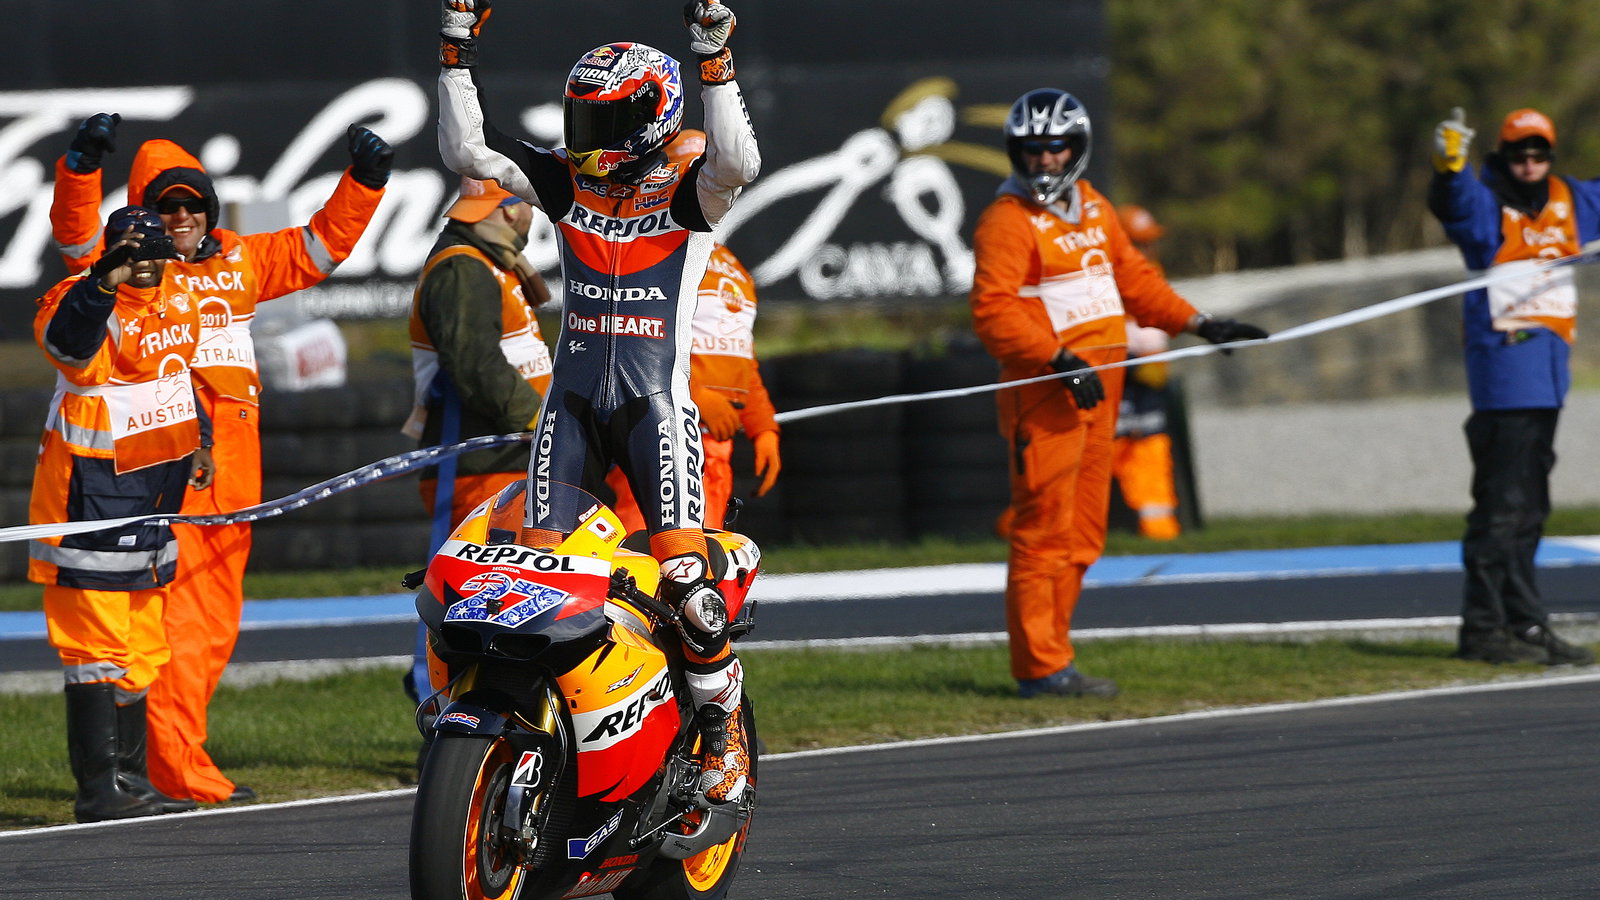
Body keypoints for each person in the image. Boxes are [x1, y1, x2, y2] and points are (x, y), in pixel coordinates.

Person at [435, 0, 760, 802]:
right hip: (571, 409)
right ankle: (536, 729)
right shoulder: (565, 181)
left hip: (655, 409)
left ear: (652, 117)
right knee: (528, 580)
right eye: (581, 115)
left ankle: (723, 731)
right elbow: (468, 149)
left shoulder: (689, 190)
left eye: (604, 119)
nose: (585, 136)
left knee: (687, 582)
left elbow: (739, 160)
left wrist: (715, 61)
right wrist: (455, 50)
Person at [51, 115, 392, 802]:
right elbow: (79, 243)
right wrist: (80, 170)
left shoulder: (241, 259)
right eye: (165, 205)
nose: (180, 217)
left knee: (212, 627)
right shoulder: (140, 272)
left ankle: (168, 761)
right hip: (173, 462)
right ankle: (172, 768)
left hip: (236, 476)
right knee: (174, 622)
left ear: (209, 208)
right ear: (143, 213)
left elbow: (319, 247)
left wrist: (364, 181)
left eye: (192, 204)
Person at [969, 89, 1267, 699]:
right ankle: (1040, 667)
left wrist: (1199, 323)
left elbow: (1135, 280)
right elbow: (992, 312)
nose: (1044, 159)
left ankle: (1056, 657)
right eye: (1031, 149)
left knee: (1084, 536)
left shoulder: (1095, 208)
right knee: (1043, 533)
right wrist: (1056, 360)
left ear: (1076, 148)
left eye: (1056, 146)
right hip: (1047, 396)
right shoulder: (1007, 220)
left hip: (1100, 393)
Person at [30, 207, 212, 822]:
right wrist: (101, 286)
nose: (145, 263)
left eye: (155, 251)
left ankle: (133, 780)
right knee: (95, 645)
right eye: (132, 252)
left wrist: (202, 439)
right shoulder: (76, 297)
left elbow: (177, 375)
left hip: (156, 497)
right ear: (110, 251)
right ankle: (98, 788)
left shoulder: (179, 297)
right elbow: (67, 349)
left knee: (143, 645)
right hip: (89, 496)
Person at [1428, 106, 1598, 666]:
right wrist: (1450, 169)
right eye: (1518, 153)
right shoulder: (1487, 201)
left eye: (1538, 152)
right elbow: (1456, 208)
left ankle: (1523, 621)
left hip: (1548, 379)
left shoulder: (1571, 199)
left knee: (1529, 509)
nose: (1528, 163)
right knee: (1502, 509)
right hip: (1504, 376)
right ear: (1502, 155)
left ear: (1550, 154)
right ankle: (1484, 627)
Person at [402, 174, 553, 702]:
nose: (534, 214)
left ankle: (496, 717)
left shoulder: (484, 262)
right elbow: (475, 366)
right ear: (508, 210)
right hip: (482, 467)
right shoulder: (462, 268)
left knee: (514, 607)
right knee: (478, 608)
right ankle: (450, 714)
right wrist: (541, 420)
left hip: (506, 461)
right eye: (528, 205)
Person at [605, 130, 782, 533]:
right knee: (641, 555)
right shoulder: (645, 248)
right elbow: (626, 340)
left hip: (715, 444)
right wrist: (695, 395)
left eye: (717, 177)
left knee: (701, 563)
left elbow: (741, 356)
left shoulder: (732, 265)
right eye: (697, 177)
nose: (712, 187)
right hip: (657, 430)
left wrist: (763, 425)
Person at [1112, 204, 1182, 540]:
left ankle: (1159, 527)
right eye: (1138, 242)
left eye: (1149, 241)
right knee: (1101, 452)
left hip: (1145, 377)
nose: (1147, 249)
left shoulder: (1153, 269)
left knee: (1152, 445)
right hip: (1111, 374)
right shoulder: (1096, 274)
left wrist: (1154, 355)